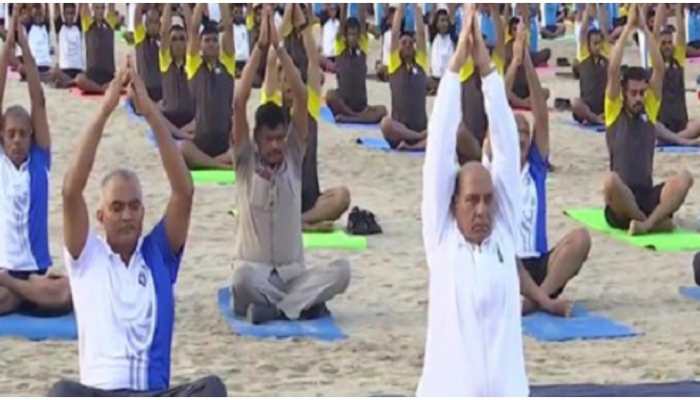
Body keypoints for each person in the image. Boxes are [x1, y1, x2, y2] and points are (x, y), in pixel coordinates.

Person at [51, 61, 226, 397]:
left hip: (151, 394)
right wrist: (104, 111)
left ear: (144, 212)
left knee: (212, 388)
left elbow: (183, 192)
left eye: (134, 206)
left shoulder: (156, 254)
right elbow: (71, 190)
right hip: (100, 393)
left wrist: (150, 113)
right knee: (62, 392)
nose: (127, 215)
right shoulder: (88, 257)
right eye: (117, 208)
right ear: (101, 216)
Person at [417, 6, 551, 395]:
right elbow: (439, 147)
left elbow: (508, 148)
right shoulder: (440, 242)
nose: (481, 210)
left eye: (487, 200)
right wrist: (457, 67)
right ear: (453, 204)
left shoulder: (503, 234)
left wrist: (489, 73)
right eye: (471, 200)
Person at [230, 8, 350, 324]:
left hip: (293, 274)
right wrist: (260, 48)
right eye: (269, 140)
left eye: (280, 139)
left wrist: (281, 47)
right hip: (255, 276)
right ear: (257, 139)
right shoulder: (246, 161)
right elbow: (240, 100)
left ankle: (279, 309)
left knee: (342, 271)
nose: (276, 146)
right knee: (241, 280)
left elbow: (300, 93)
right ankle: (301, 306)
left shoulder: (293, 157)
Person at [486, 30, 591, 313]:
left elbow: (541, 114)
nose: (521, 136)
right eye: (515, 131)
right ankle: (543, 302)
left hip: (541, 265)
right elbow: (496, 111)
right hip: (508, 261)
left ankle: (536, 299)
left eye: (525, 132)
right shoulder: (497, 166)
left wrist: (528, 63)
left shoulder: (536, 168)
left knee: (581, 238)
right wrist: (513, 63)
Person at [0, 20, 71, 316]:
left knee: (66, 293)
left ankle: (20, 292)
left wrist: (25, 47)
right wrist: (7, 47)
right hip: (6, 267)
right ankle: (21, 293)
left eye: (23, 134)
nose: (17, 140)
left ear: (32, 136)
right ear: (2, 137)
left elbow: (38, 102)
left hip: (35, 272)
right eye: (11, 134)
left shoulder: (40, 161)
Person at [602, 5, 693, 236]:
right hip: (622, 203)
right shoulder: (614, 111)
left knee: (684, 179)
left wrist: (644, 28)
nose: (639, 97)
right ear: (624, 93)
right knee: (611, 182)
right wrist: (627, 30)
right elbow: (613, 69)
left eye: (642, 93)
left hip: (646, 195)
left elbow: (659, 69)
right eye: (633, 93)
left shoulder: (649, 111)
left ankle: (647, 224)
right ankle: (650, 222)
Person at [184, 3, 235, 169]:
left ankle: (212, 163)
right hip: (200, 144)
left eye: (214, 40)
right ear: (200, 45)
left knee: (245, 149)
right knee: (182, 149)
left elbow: (228, 27)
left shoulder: (227, 65)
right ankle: (219, 164)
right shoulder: (194, 66)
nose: (211, 44)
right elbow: (193, 28)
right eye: (207, 41)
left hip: (224, 145)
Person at [455, 3, 505, 164]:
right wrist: (470, 14)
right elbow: (465, 39)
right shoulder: (466, 69)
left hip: (491, 140)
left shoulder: (494, 68)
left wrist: (494, 10)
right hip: (472, 141)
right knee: (458, 131)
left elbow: (501, 40)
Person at [325, 4, 388, 125]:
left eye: (355, 34)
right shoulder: (340, 47)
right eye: (350, 34)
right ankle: (356, 117)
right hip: (344, 103)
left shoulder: (362, 46)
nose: (352, 38)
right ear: (345, 35)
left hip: (361, 105)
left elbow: (362, 18)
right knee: (330, 95)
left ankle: (351, 118)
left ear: (359, 35)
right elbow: (343, 20)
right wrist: (343, 6)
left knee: (383, 110)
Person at [380, 4, 429, 151]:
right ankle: (417, 139)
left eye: (410, 43)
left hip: (421, 127)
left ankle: (413, 145)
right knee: (385, 124)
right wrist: (401, 6)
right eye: (404, 43)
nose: (408, 45)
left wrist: (415, 7)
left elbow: (421, 33)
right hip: (401, 132)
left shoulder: (420, 63)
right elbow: (395, 32)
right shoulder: (395, 64)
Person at [652, 5, 700, 144]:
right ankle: (681, 140)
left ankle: (676, 139)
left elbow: (681, 35)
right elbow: (655, 33)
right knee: (652, 125)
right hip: (662, 124)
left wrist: (679, 8)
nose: (667, 46)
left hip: (681, 124)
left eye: (669, 43)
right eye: (664, 43)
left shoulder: (678, 60)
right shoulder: (656, 62)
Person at [572, 4, 609, 126]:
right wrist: (588, 9)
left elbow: (604, 28)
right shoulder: (584, 55)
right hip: (587, 107)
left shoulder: (605, 54)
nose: (598, 46)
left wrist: (602, 6)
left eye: (600, 43)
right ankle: (595, 119)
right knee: (575, 103)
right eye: (595, 43)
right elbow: (583, 31)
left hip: (604, 105)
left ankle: (598, 117)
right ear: (588, 45)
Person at [74, 4, 118, 94]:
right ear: (93, 9)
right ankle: (102, 89)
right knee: (79, 79)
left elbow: (112, 5)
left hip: (108, 76)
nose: (100, 11)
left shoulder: (110, 24)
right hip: (92, 76)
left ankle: (99, 89)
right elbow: (84, 8)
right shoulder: (88, 25)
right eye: (97, 8)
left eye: (102, 8)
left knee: (124, 77)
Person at [50, 3, 84, 88]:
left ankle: (69, 83)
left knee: (83, 77)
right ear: (64, 14)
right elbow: (56, 6)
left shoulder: (78, 27)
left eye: (72, 13)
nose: (70, 16)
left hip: (78, 70)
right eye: (67, 13)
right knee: (54, 71)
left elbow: (82, 6)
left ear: (75, 14)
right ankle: (72, 82)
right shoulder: (60, 27)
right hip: (64, 71)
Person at [133, 4, 162, 102]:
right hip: (145, 91)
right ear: (145, 24)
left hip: (161, 91)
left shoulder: (165, 41)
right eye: (150, 22)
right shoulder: (141, 38)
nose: (153, 25)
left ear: (160, 24)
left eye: (156, 22)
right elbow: (137, 15)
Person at [20, 4, 52, 82]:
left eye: (40, 14)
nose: (38, 15)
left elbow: (47, 12)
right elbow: (23, 17)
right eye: (35, 14)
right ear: (32, 15)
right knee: (21, 69)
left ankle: (39, 77)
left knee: (55, 72)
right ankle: (41, 77)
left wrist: (45, 5)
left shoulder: (46, 26)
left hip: (46, 66)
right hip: (34, 66)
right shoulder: (29, 26)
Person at [319, 4, 340, 73]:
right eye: (331, 10)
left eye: (334, 10)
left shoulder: (338, 23)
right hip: (327, 53)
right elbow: (322, 35)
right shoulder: (325, 24)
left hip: (336, 53)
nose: (333, 12)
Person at [232, 4, 249, 78]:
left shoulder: (246, 27)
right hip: (234, 61)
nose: (238, 15)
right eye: (236, 12)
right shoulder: (229, 28)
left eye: (241, 12)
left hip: (245, 61)